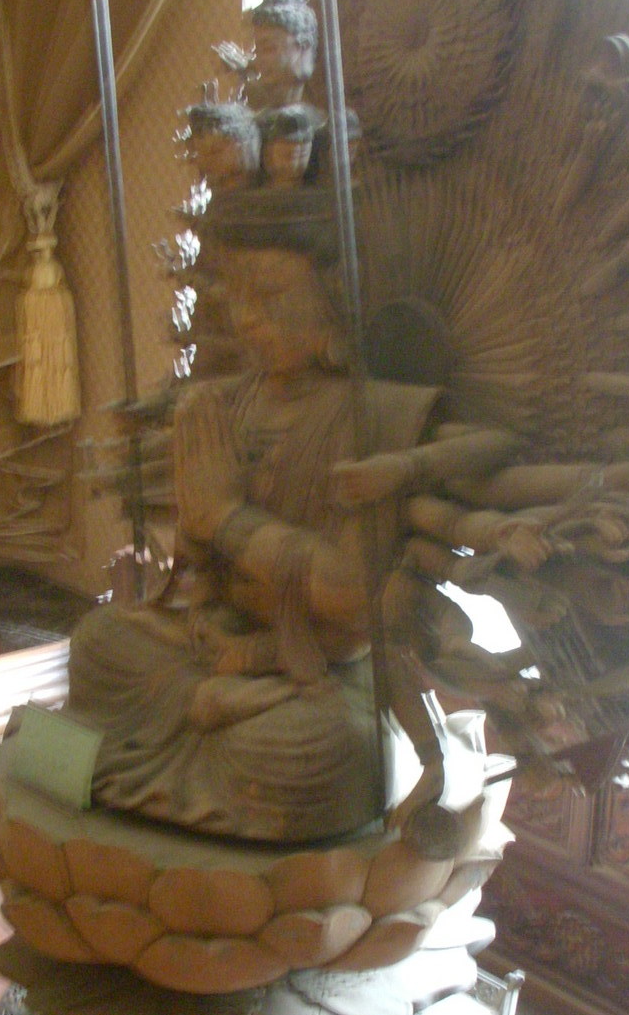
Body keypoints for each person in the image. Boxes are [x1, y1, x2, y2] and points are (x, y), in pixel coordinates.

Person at [66, 199, 441, 844]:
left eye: (269, 298)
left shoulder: (376, 417)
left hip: (324, 667)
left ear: (336, 303)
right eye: (237, 298)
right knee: (98, 642)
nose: (246, 319)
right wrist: (203, 588)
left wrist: (227, 517)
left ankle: (179, 742)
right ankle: (203, 712)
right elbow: (197, 568)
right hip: (222, 648)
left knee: (317, 751)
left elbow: (352, 595)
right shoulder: (223, 405)